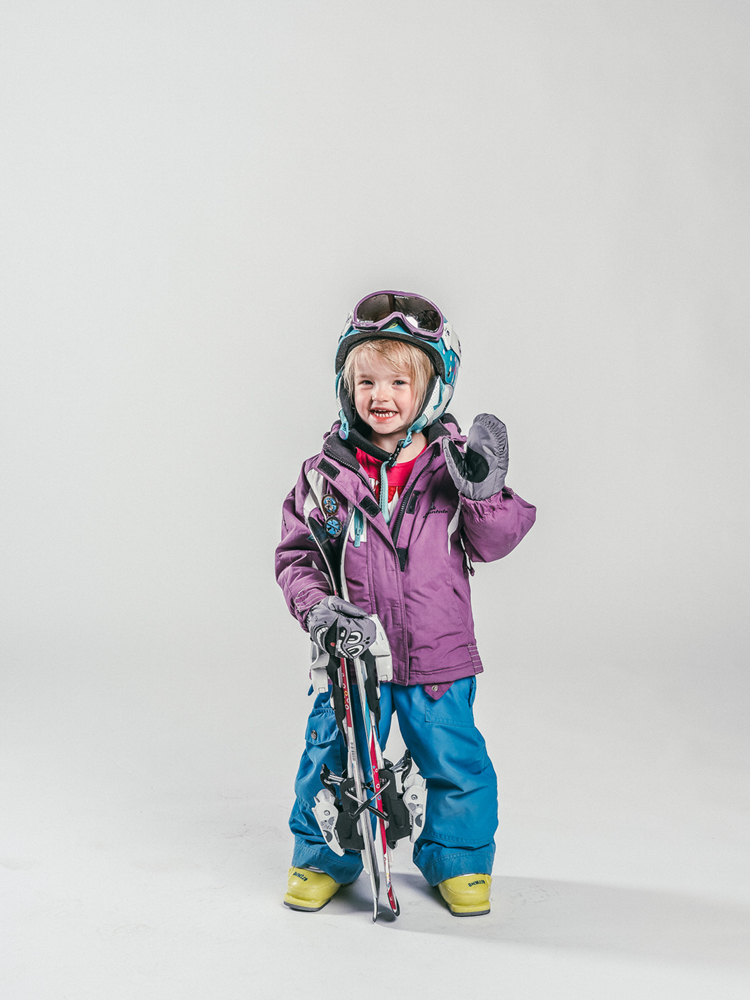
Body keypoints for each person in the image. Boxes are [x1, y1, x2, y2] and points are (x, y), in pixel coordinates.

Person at [275, 290, 536, 916]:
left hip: (438, 653)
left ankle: (460, 858)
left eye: (399, 381)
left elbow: (498, 540)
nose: (382, 396)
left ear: (432, 389)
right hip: (355, 655)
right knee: (333, 756)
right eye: (366, 381)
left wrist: (483, 490)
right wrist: (317, 609)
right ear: (346, 386)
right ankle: (323, 857)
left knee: (454, 759)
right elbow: (296, 557)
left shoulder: (453, 466)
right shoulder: (324, 475)